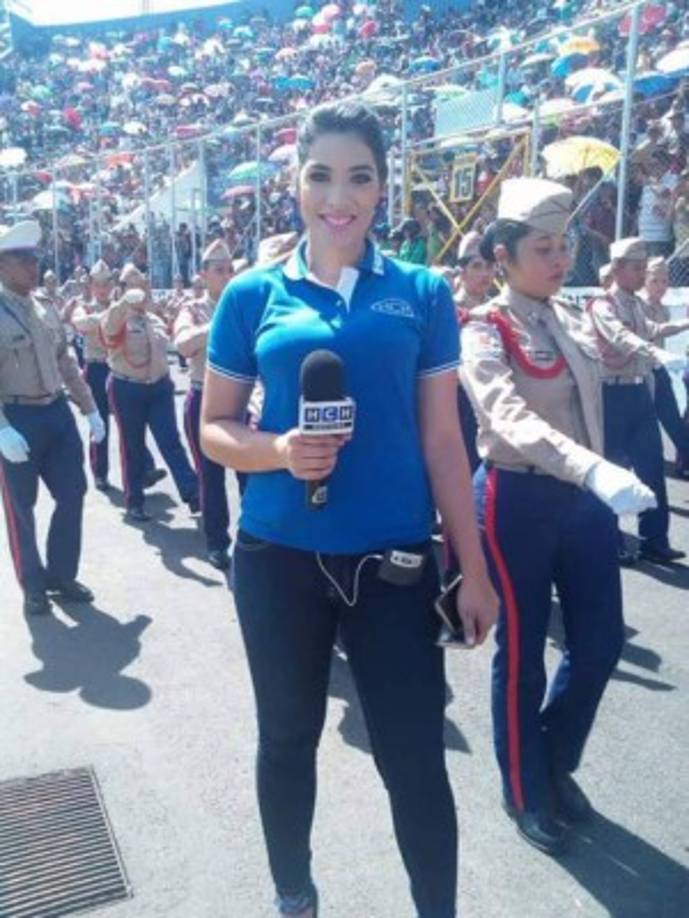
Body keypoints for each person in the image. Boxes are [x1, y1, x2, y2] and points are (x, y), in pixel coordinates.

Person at [200, 100, 498, 918]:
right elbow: (215, 428)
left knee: (414, 758)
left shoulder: (421, 292)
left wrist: (473, 569)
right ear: (296, 185)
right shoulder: (250, 295)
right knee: (286, 740)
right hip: (277, 560)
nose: (340, 197)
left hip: (394, 564)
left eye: (359, 177)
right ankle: (294, 896)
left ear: (380, 186)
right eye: (321, 175)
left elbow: (444, 441)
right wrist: (279, 450)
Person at [460, 178, 656, 857]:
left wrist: (663, 355)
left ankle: (550, 758)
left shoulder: (570, 316)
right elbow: (506, 416)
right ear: (503, 256)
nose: (559, 258)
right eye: (542, 248)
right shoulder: (485, 329)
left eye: (563, 245)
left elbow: (617, 356)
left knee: (599, 642)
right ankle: (524, 789)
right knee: (521, 656)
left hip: (584, 500)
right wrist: (592, 468)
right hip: (517, 499)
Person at [0, 221, 106, 615]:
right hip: (17, 416)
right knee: (21, 508)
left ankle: (61, 575)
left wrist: (90, 408)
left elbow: (66, 363)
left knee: (72, 492)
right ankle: (33, 585)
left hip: (57, 413)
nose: (34, 266)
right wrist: (2, 429)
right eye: (24, 260)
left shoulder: (45, 306)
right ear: (2, 265)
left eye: (35, 258)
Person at [588, 238, 689, 565]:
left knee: (652, 468)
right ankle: (609, 541)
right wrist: (656, 352)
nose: (642, 274)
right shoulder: (602, 305)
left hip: (638, 392)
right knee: (613, 472)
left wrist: (682, 324)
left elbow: (652, 328)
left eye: (645, 267)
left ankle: (654, 541)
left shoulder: (634, 304)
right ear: (617, 268)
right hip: (611, 395)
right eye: (637, 268)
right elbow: (621, 337)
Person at [102, 263, 198, 523]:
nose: (139, 291)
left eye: (142, 285)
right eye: (132, 286)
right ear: (122, 289)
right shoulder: (116, 316)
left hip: (158, 387)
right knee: (132, 447)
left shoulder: (153, 318)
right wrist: (124, 302)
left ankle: (193, 492)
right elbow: (109, 329)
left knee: (170, 441)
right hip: (127, 388)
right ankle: (134, 502)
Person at [174, 239, 234, 570]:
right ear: (204, 275)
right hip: (204, 394)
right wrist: (218, 321)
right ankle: (217, 542)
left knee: (251, 474)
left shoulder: (245, 304)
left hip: (242, 398)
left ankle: (255, 540)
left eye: (229, 270)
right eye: (219, 270)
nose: (226, 276)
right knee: (210, 477)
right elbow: (183, 345)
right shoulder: (194, 309)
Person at [641, 256, 689, 479]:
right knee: (643, 426)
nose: (660, 286)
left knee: (673, 421)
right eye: (655, 281)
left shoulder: (663, 309)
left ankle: (684, 461)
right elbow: (651, 333)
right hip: (639, 373)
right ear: (644, 280)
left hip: (658, 369)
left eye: (664, 281)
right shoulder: (638, 305)